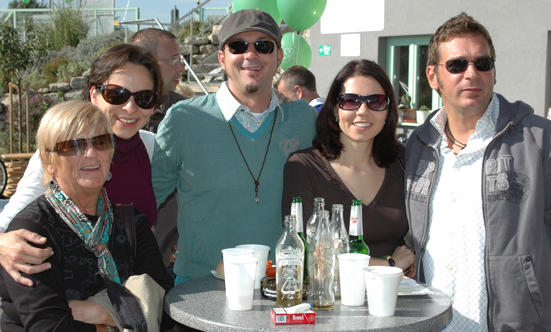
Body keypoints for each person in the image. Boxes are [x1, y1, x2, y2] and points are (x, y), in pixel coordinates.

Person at [404, 13, 551, 331]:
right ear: (433, 76)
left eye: (482, 63)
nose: (472, 74)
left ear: (494, 72)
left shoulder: (539, 140)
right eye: (457, 65)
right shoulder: (418, 146)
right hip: (432, 324)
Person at [151, 9, 318, 282]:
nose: (251, 55)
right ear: (222, 58)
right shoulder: (184, 119)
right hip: (200, 291)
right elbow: (146, 202)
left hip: (282, 289)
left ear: (279, 56)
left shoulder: (303, 118)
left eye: (263, 46)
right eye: (238, 46)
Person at [0, 100, 173, 331]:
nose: (91, 153)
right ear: (49, 161)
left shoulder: (130, 222)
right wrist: (124, 321)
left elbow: (167, 306)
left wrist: (101, 312)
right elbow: (50, 326)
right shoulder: (32, 230)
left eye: (101, 142)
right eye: (73, 146)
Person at [0, 44, 162, 286]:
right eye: (117, 94)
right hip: (65, 298)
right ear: (94, 95)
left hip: (130, 295)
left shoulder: (151, 148)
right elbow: (8, 225)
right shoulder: (62, 153)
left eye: (144, 98)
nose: (130, 107)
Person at [282, 60, 415, 276]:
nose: (363, 111)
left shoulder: (402, 161)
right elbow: (306, 251)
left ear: (388, 110)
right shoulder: (303, 166)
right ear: (334, 108)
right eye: (350, 101)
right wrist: (391, 265)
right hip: (331, 301)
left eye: (376, 101)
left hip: (396, 296)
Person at [130, 28, 188, 133]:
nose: (181, 68)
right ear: (147, 62)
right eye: (173, 60)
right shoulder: (116, 109)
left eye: (180, 59)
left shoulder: (187, 112)